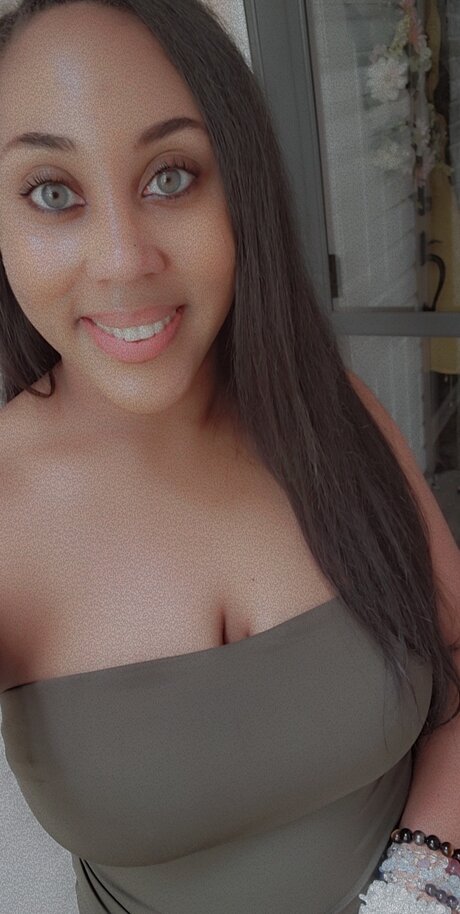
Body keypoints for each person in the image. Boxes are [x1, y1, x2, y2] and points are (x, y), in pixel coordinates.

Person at [0, 1, 459, 912]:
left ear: (239, 187)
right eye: (53, 192)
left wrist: (418, 885)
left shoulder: (330, 411)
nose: (123, 260)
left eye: (171, 176)